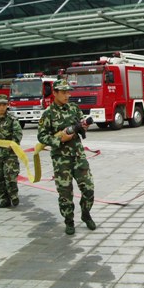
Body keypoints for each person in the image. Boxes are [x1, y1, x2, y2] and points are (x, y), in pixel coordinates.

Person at [37, 79, 96, 235]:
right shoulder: (48, 114)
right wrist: (59, 139)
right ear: (55, 93)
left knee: (88, 188)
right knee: (65, 193)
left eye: (68, 92)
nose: (67, 95)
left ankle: (86, 213)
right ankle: (69, 221)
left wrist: (84, 126)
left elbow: (81, 126)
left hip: (78, 156)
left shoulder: (74, 108)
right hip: (61, 160)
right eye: (63, 92)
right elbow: (41, 137)